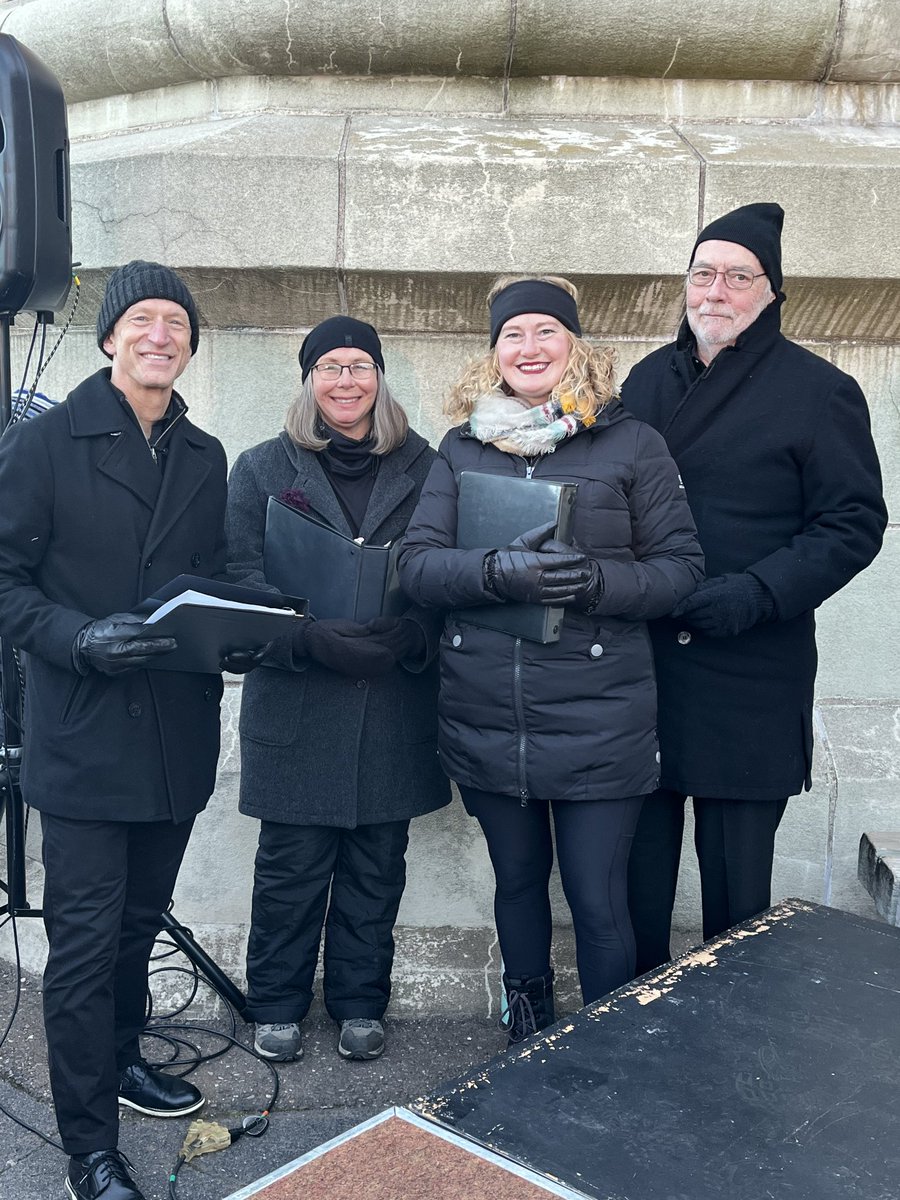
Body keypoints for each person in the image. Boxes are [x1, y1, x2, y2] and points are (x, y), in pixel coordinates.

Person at [0, 262, 256, 1200]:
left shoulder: (206, 453)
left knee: (135, 931)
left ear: (190, 345)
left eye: (176, 322)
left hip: (174, 743)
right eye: (141, 319)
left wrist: (248, 634)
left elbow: (212, 578)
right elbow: (5, 584)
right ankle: (89, 1148)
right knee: (82, 948)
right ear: (109, 338)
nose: (161, 334)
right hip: (81, 737)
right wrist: (73, 636)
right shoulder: (44, 444)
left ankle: (120, 1061)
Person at [398, 276, 703, 1041]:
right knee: (519, 885)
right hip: (487, 714)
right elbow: (417, 566)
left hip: (599, 717)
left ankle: (603, 1050)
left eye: (545, 332)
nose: (528, 348)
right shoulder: (463, 445)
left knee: (601, 903)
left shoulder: (630, 441)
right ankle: (526, 1036)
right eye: (512, 335)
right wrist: (495, 571)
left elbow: (681, 570)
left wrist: (597, 581)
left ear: (574, 345)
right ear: (493, 353)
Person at [622, 203, 887, 974]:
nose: (716, 291)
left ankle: (734, 1039)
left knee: (737, 900)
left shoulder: (819, 390)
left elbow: (852, 523)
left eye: (739, 276)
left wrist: (757, 593)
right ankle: (632, 1031)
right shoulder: (643, 379)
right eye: (703, 274)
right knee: (633, 881)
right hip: (643, 672)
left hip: (749, 673)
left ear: (771, 292)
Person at [226, 315, 450, 1064]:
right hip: (297, 701)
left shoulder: (427, 468)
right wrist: (303, 636)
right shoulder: (261, 468)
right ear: (309, 380)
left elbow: (446, 573)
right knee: (289, 872)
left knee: (376, 869)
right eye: (330, 367)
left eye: (359, 365)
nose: (345, 380)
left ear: (379, 379)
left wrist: (413, 635)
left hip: (391, 705)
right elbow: (239, 577)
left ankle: (360, 1003)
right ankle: (277, 1004)